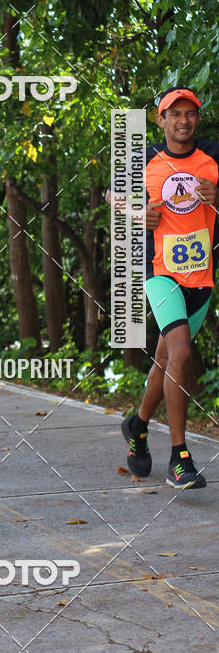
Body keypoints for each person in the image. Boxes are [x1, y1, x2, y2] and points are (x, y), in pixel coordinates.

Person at [108, 87, 219, 489]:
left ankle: (137, 427)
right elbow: (112, 194)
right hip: (160, 273)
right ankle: (179, 457)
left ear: (197, 118)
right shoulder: (146, 158)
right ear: (161, 119)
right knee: (182, 352)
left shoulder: (214, 156)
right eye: (175, 114)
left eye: (190, 113)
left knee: (166, 359)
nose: (183, 121)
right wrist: (138, 212)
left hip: (201, 277)